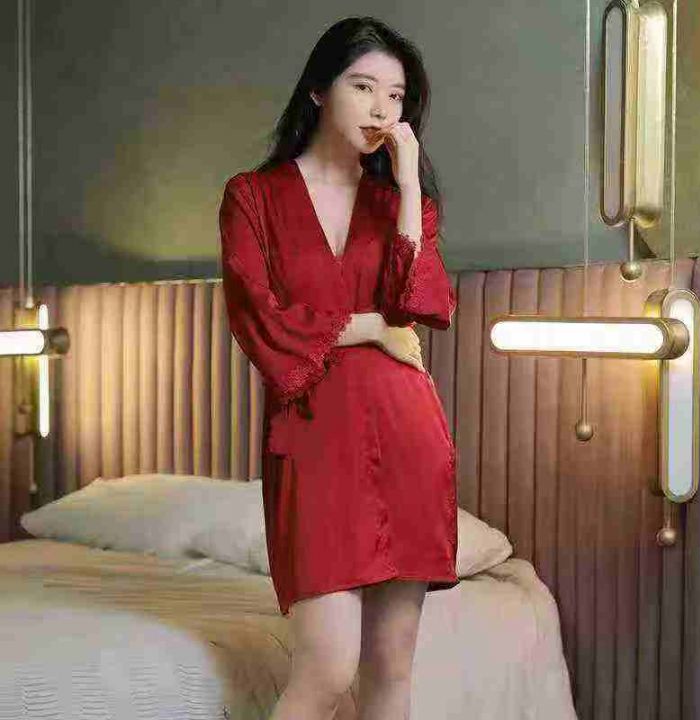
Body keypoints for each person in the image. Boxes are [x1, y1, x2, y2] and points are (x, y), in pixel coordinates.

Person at [219, 15, 458, 720]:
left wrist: (409, 184)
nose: (382, 109)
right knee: (325, 671)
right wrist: (371, 329)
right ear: (319, 90)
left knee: (390, 673)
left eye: (397, 95)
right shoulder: (252, 197)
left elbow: (416, 302)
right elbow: (259, 317)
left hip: (407, 434)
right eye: (363, 87)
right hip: (316, 438)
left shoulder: (400, 203)